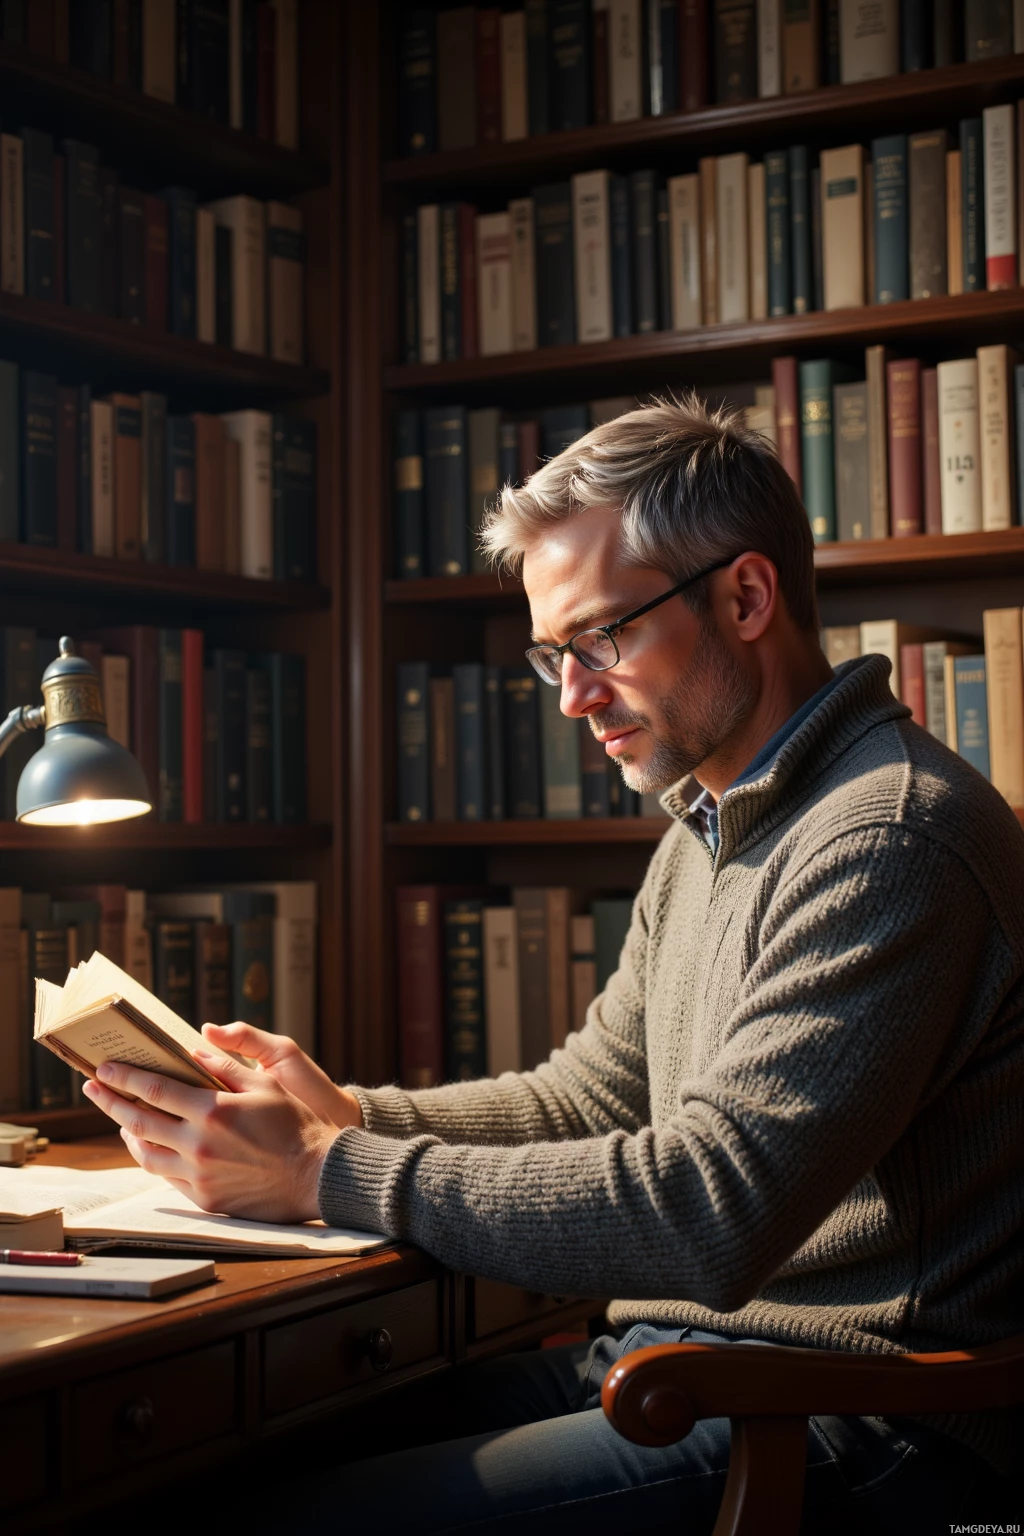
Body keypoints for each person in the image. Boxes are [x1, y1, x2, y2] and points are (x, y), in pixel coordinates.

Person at [84, 398, 1024, 1533]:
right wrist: (341, 1119)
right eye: (554, 654)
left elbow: (709, 1210)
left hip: (855, 1416)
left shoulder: (888, 837)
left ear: (745, 597)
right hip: (684, 1364)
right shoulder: (713, 824)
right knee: (192, 1468)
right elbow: (590, 1098)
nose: (573, 695)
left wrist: (328, 1171)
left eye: (602, 638)